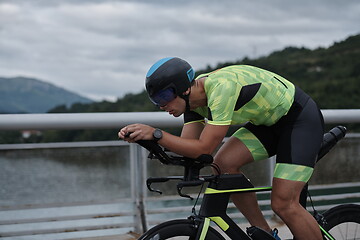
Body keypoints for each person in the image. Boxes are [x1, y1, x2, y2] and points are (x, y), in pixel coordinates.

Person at [118, 57, 324, 240]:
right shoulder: (192, 103)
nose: (161, 106)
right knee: (222, 165)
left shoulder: (220, 89)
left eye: (163, 97)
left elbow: (203, 148)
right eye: (156, 101)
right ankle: (264, 233)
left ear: (184, 89)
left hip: (298, 119)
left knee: (283, 203)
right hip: (267, 125)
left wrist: (156, 133)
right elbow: (188, 149)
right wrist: (147, 140)